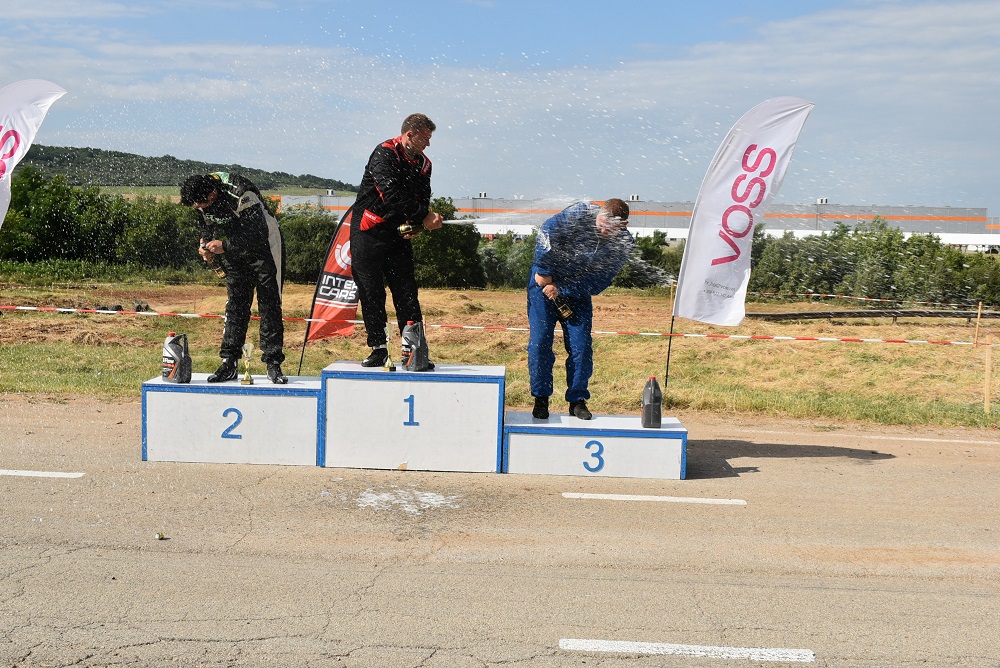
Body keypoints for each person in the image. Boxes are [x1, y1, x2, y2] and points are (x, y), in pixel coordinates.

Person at [349, 113, 444, 367]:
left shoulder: (424, 164)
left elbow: (422, 197)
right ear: (409, 135)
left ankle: (413, 350)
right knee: (371, 292)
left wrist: (415, 225)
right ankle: (378, 349)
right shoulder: (384, 153)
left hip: (397, 232)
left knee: (407, 291)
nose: (428, 144)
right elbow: (390, 194)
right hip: (368, 230)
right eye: (425, 138)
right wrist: (423, 216)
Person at [527, 198, 634, 420]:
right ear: (599, 214)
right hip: (543, 283)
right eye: (602, 224)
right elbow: (547, 232)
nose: (604, 231)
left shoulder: (623, 243)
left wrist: (561, 287)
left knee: (581, 347)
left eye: (611, 229)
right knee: (540, 343)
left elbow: (600, 280)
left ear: (623, 225)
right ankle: (541, 399)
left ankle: (577, 400)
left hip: (577, 291)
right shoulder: (579, 213)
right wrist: (545, 272)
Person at [180, 172, 288, 384]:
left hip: (265, 244)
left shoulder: (240, 192)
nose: (199, 208)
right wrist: (205, 245)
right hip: (233, 246)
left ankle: (273, 363)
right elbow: (206, 225)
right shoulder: (200, 198)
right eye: (196, 206)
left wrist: (225, 246)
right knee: (236, 304)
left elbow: (257, 232)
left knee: (269, 304)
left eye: (201, 204)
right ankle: (229, 362)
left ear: (212, 194)